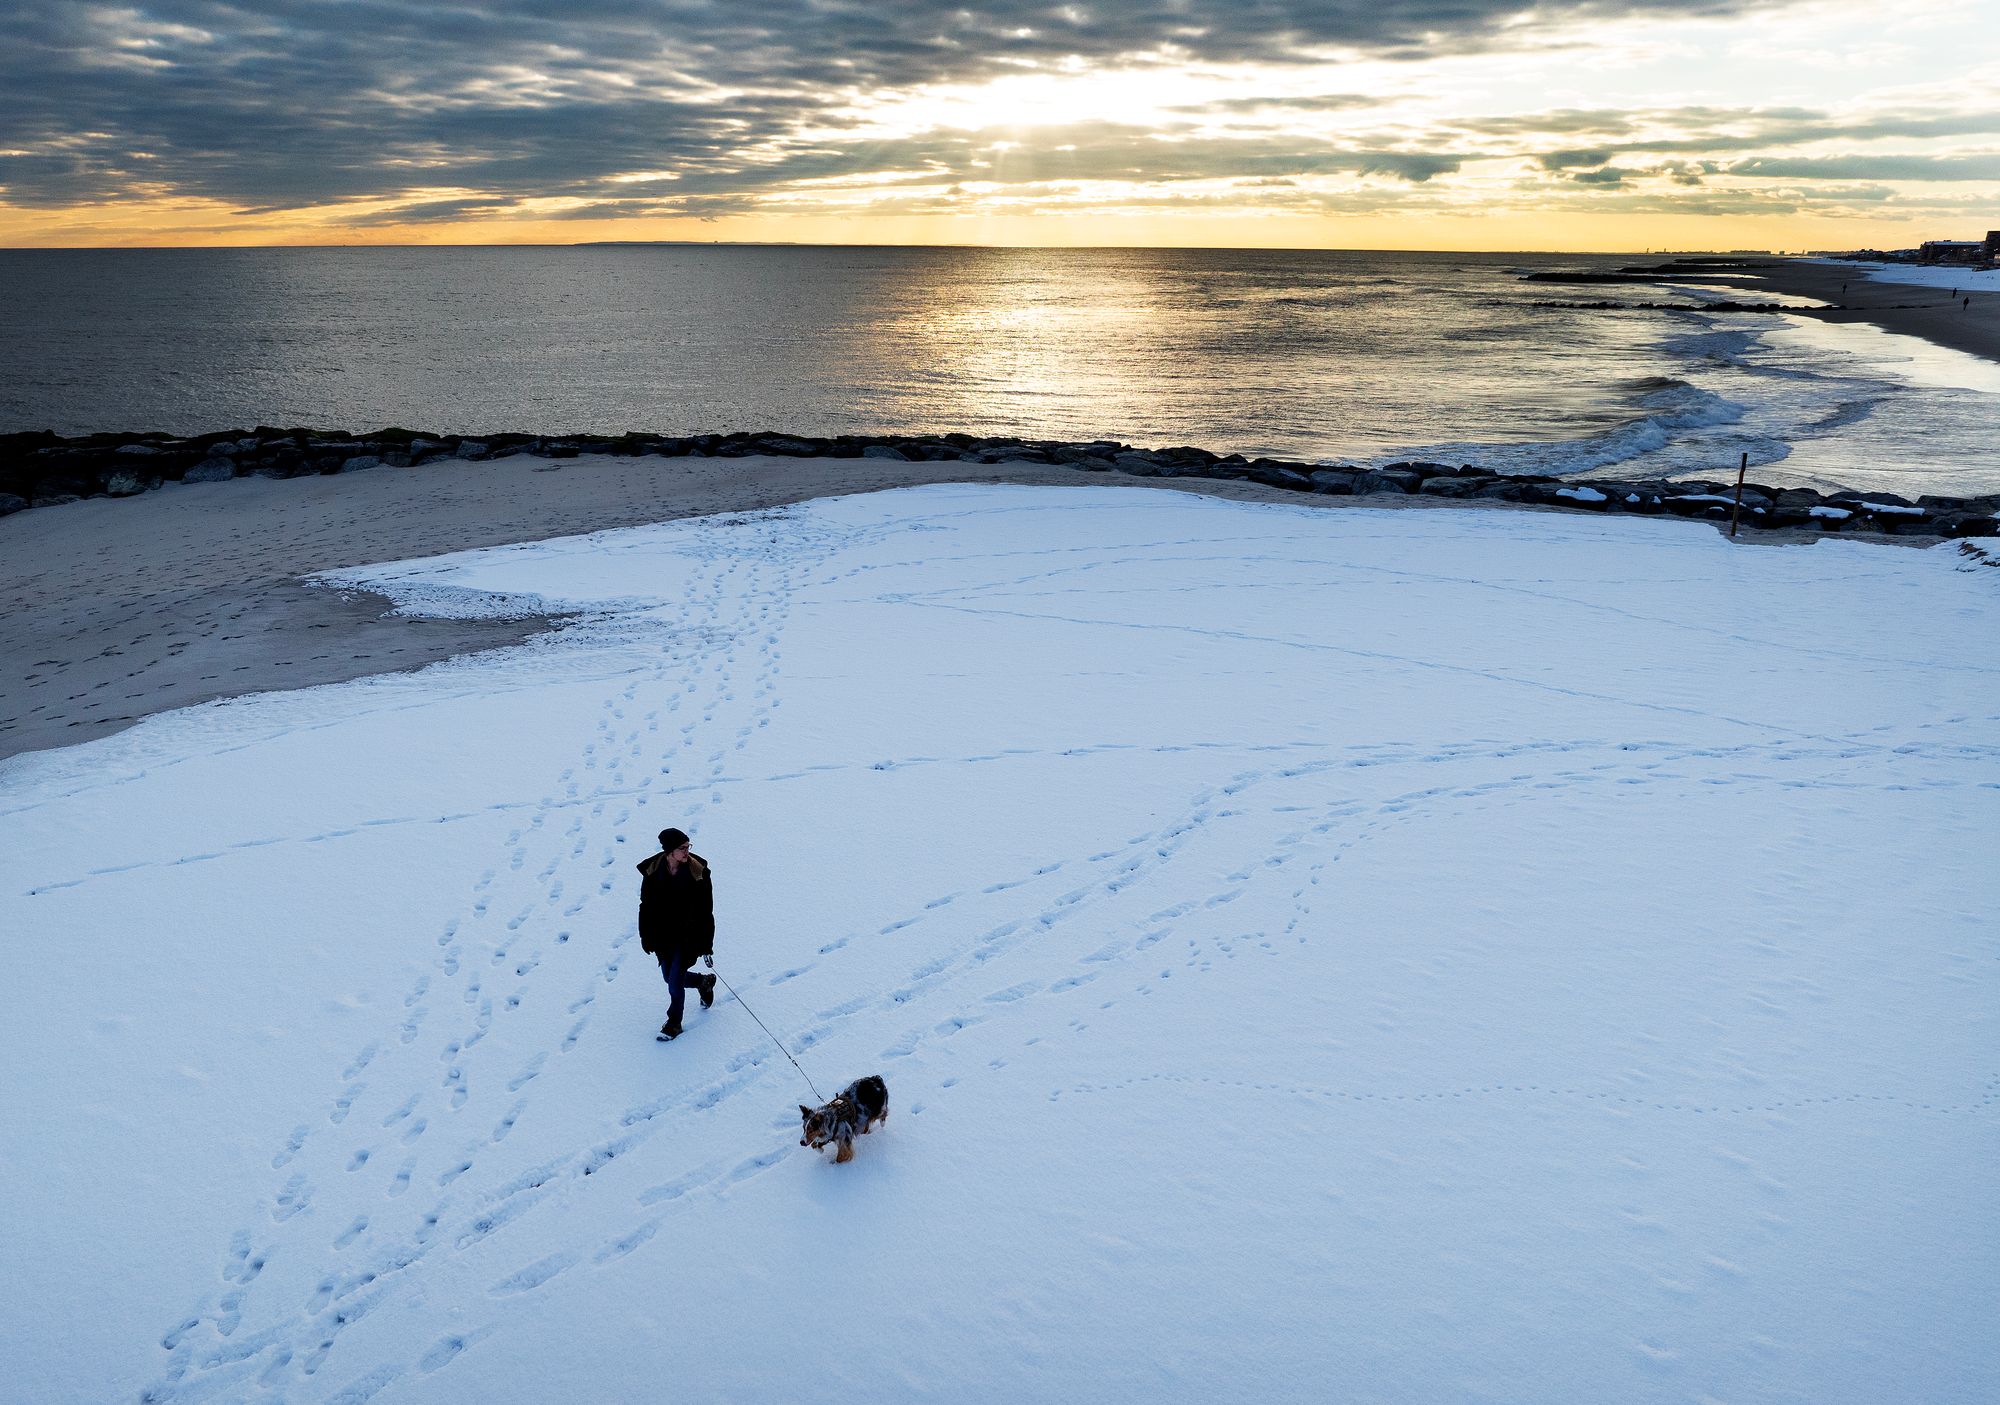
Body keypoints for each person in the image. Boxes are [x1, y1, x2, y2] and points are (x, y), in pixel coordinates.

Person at [637, 826, 716, 1041]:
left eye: (688, 846)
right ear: (669, 851)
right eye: (682, 848)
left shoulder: (698, 873)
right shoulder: (653, 871)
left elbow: (706, 911)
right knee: (668, 977)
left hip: (688, 937)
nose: (687, 851)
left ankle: (674, 1023)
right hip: (663, 936)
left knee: (674, 982)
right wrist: (645, 936)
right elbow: (646, 906)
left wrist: (706, 944)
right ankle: (703, 982)